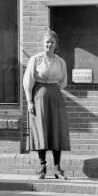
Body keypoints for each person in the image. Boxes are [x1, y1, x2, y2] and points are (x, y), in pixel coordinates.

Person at [23, 28, 70, 179]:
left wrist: (53, 89)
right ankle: (42, 167)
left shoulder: (60, 61)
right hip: (39, 98)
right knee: (40, 131)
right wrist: (29, 101)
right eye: (47, 42)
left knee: (56, 130)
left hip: (55, 98)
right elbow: (28, 82)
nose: (49, 45)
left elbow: (63, 82)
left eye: (52, 42)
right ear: (43, 44)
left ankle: (57, 167)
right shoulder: (35, 60)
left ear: (56, 45)